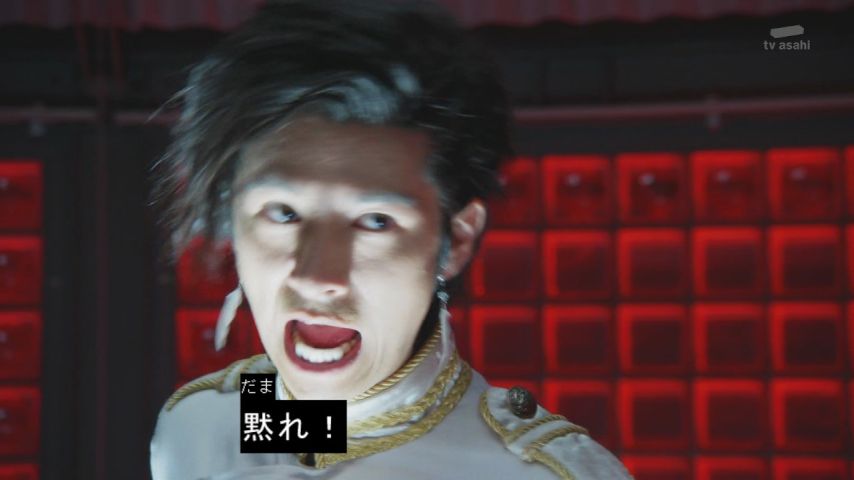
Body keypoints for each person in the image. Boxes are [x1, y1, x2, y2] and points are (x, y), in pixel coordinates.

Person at [149, 1, 632, 478]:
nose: (317, 277)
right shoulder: (204, 428)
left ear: (457, 239)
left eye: (375, 221)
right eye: (283, 213)